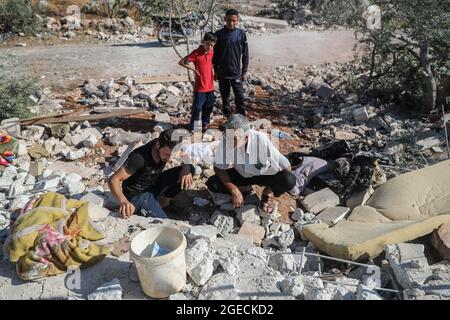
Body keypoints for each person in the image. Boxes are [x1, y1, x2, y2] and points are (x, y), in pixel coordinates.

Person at [206, 114, 296, 214]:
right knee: (213, 183)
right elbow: (218, 168)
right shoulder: (226, 140)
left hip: (262, 176)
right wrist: (234, 190)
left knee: (289, 180)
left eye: (235, 139)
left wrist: (273, 189)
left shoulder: (260, 140)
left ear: (246, 137)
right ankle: (244, 189)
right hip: (240, 174)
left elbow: (286, 166)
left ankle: (267, 193)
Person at [108, 129, 194, 219]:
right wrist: (124, 202)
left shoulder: (166, 145)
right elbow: (114, 180)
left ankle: (164, 202)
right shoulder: (139, 158)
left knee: (190, 170)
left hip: (154, 184)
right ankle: (151, 207)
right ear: (157, 145)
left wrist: (186, 169)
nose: (170, 159)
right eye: (166, 154)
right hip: (138, 196)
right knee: (164, 223)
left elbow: (185, 154)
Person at [213, 8, 249, 118]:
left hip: (236, 73)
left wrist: (244, 71)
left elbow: (246, 54)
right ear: (225, 19)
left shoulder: (241, 34)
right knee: (225, 97)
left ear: (237, 20)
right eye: (229, 20)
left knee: (240, 97)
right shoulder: (218, 34)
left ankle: (241, 119)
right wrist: (215, 71)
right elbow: (214, 55)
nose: (231, 23)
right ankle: (227, 118)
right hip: (222, 73)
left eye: (234, 21)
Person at [179, 32, 217, 132]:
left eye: (212, 45)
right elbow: (182, 62)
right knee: (197, 108)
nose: (209, 46)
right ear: (203, 42)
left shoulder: (212, 52)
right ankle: (193, 127)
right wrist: (193, 69)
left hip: (210, 86)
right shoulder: (196, 53)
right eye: (207, 44)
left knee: (209, 106)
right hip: (200, 87)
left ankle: (205, 124)